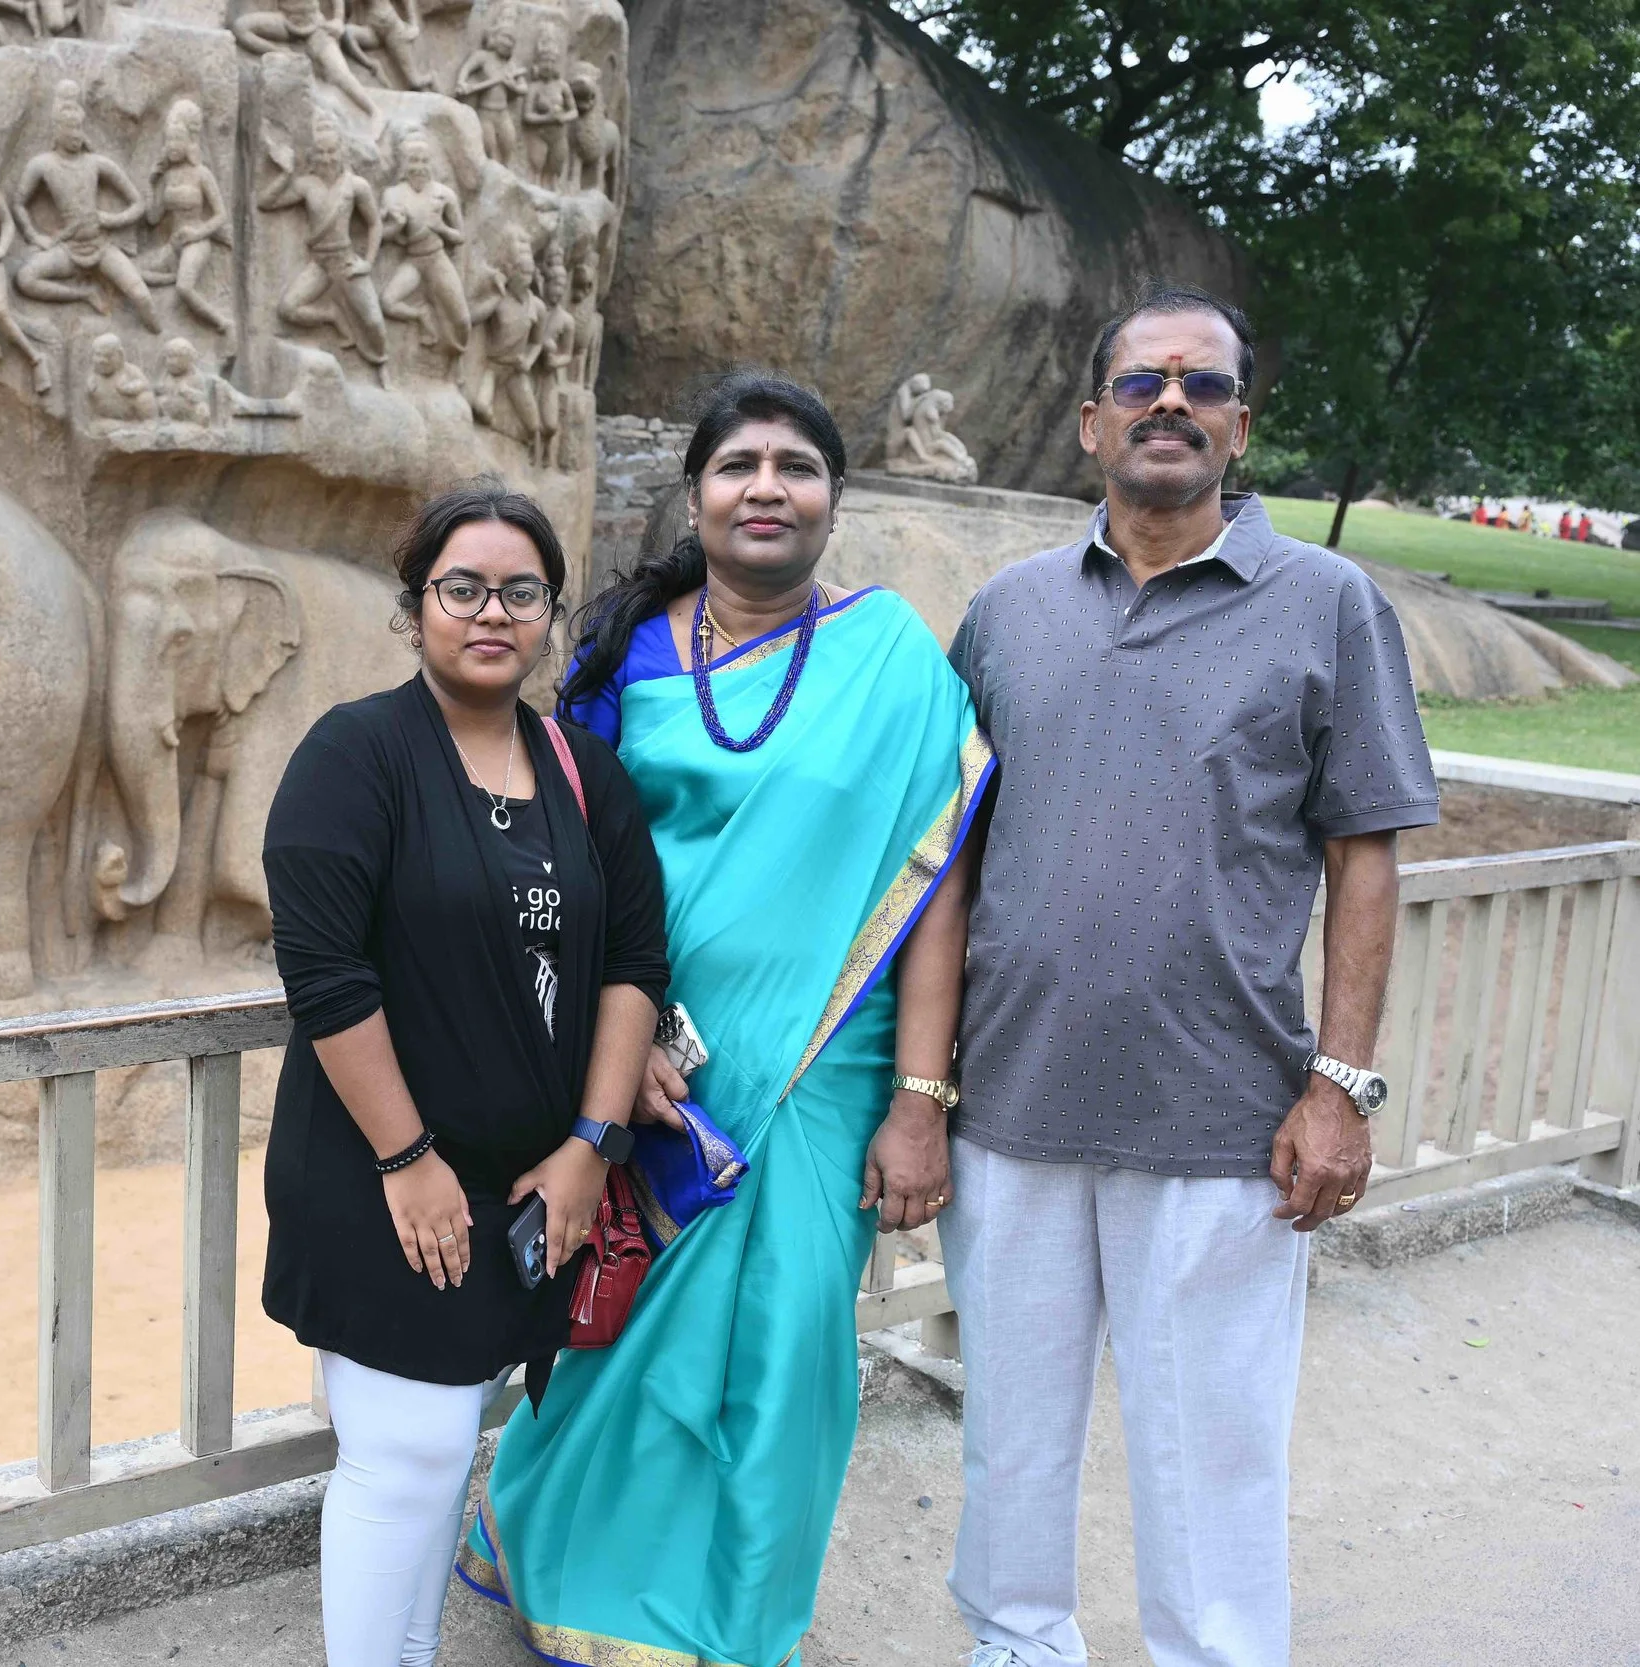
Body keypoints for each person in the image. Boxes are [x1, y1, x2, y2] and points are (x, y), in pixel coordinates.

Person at [942, 285, 1438, 1667]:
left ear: (1240, 424)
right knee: (1010, 1443)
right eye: (1144, 381)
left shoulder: (1328, 605)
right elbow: (941, 866)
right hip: (1013, 1108)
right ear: (1092, 418)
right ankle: (1017, 1645)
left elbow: (1365, 857)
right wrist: (921, 1089)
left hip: (1222, 1116)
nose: (1173, 401)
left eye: (1204, 385)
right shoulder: (1007, 611)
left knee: (1210, 1458)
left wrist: (1338, 1085)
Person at [460, 373, 992, 1664]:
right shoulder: (618, 657)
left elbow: (934, 891)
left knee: (787, 1351)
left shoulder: (894, 659)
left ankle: (742, 1623)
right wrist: (610, 1039)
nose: (768, 485)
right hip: (637, 1059)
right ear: (696, 493)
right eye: (740, 462)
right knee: (623, 1330)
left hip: (822, 1068)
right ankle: (588, 1591)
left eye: (797, 465)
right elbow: (557, 859)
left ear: (833, 498)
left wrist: (922, 1101)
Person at [262, 484, 670, 1667]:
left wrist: (591, 1142)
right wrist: (407, 1158)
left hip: (536, 1177)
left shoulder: (584, 772)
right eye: (461, 587)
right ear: (415, 608)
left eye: (519, 591)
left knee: (442, 1445)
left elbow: (635, 962)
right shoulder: (357, 754)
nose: (490, 611)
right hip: (378, 1168)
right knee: (409, 1449)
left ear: (548, 613)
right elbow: (327, 975)